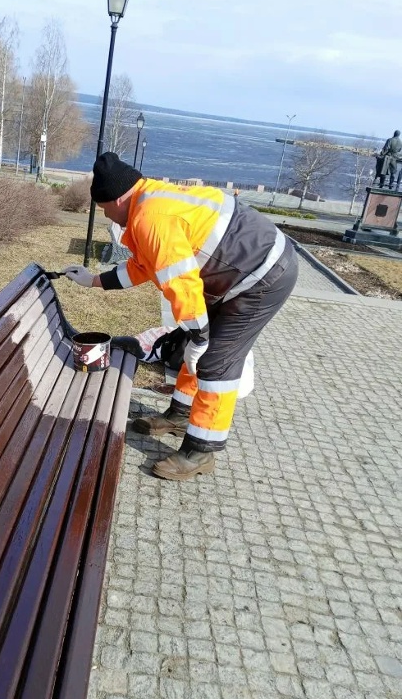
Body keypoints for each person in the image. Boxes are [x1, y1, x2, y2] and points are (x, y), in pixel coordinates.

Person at [64, 152, 299, 482]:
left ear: (118, 198)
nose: (106, 216)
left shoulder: (150, 218)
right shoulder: (149, 201)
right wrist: (92, 280)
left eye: (104, 209)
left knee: (217, 362)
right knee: (195, 343)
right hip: (233, 275)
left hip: (262, 277)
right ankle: (180, 414)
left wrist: (201, 338)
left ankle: (200, 451)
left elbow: (182, 285)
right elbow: (144, 265)